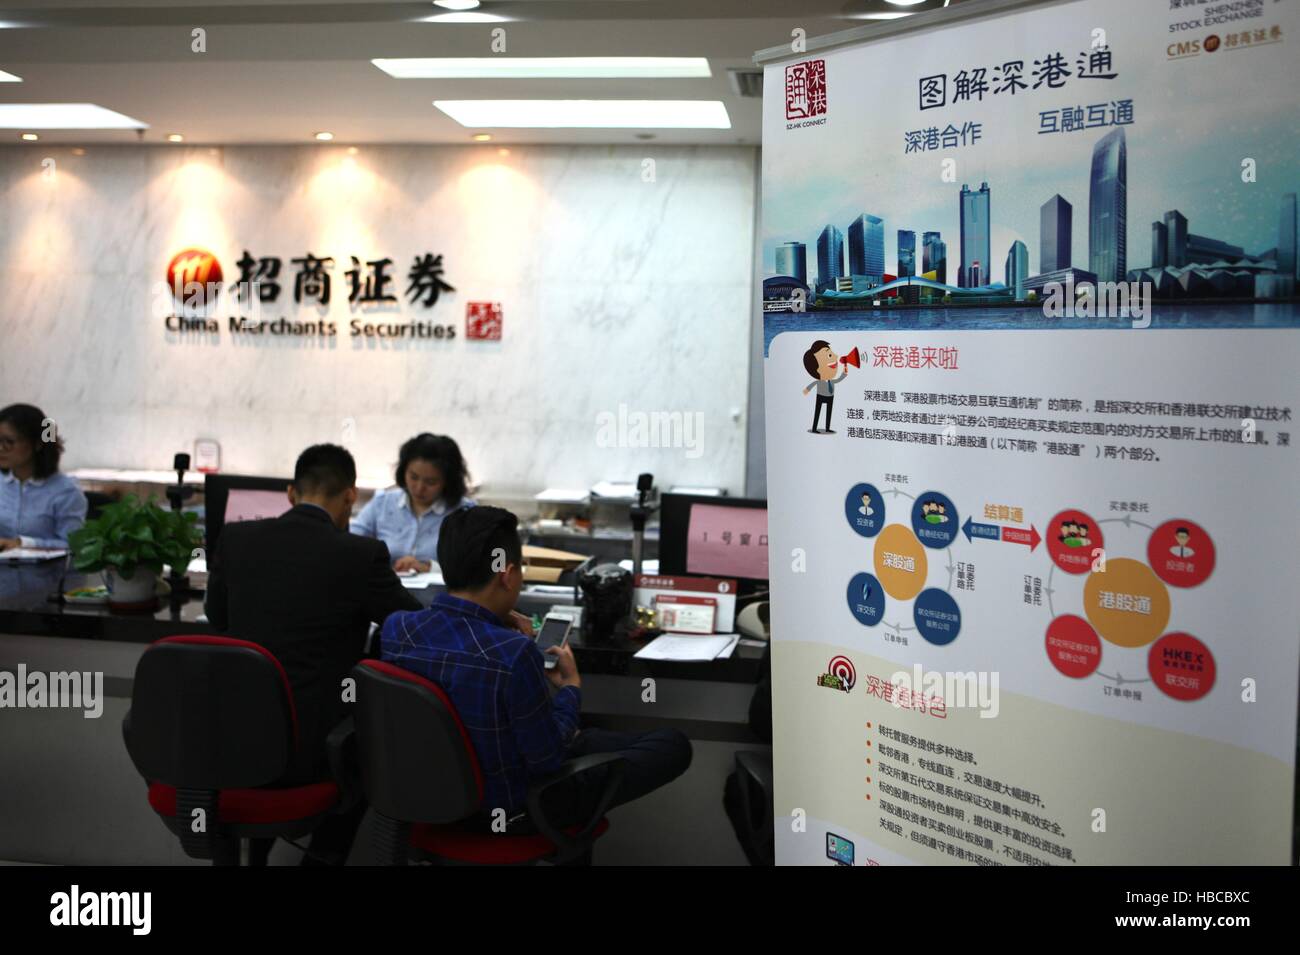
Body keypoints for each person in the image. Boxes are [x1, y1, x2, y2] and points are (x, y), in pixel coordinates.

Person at [380, 505, 693, 832]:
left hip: (425, 802)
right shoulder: (514, 653)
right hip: (509, 811)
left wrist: (496, 626)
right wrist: (570, 687)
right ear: (507, 573)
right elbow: (548, 759)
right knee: (671, 744)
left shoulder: (396, 630)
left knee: (586, 739)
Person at [205, 443, 421, 865]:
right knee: (374, 753)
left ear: (290, 493)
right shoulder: (360, 555)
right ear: (350, 497)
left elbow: (218, 616)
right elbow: (413, 627)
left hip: (231, 743)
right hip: (319, 752)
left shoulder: (237, 539)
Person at [351, 433, 474, 573]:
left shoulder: (465, 513)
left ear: (448, 481)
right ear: (403, 471)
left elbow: (476, 566)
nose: (419, 487)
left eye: (431, 482)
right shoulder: (382, 504)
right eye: (413, 477)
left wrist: (430, 568)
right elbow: (351, 544)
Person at [0, 403, 88, 552]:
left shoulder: (66, 491)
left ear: (38, 444)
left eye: (9, 442)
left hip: (49, 573)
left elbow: (73, 545)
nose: (1, 449)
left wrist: (23, 544)